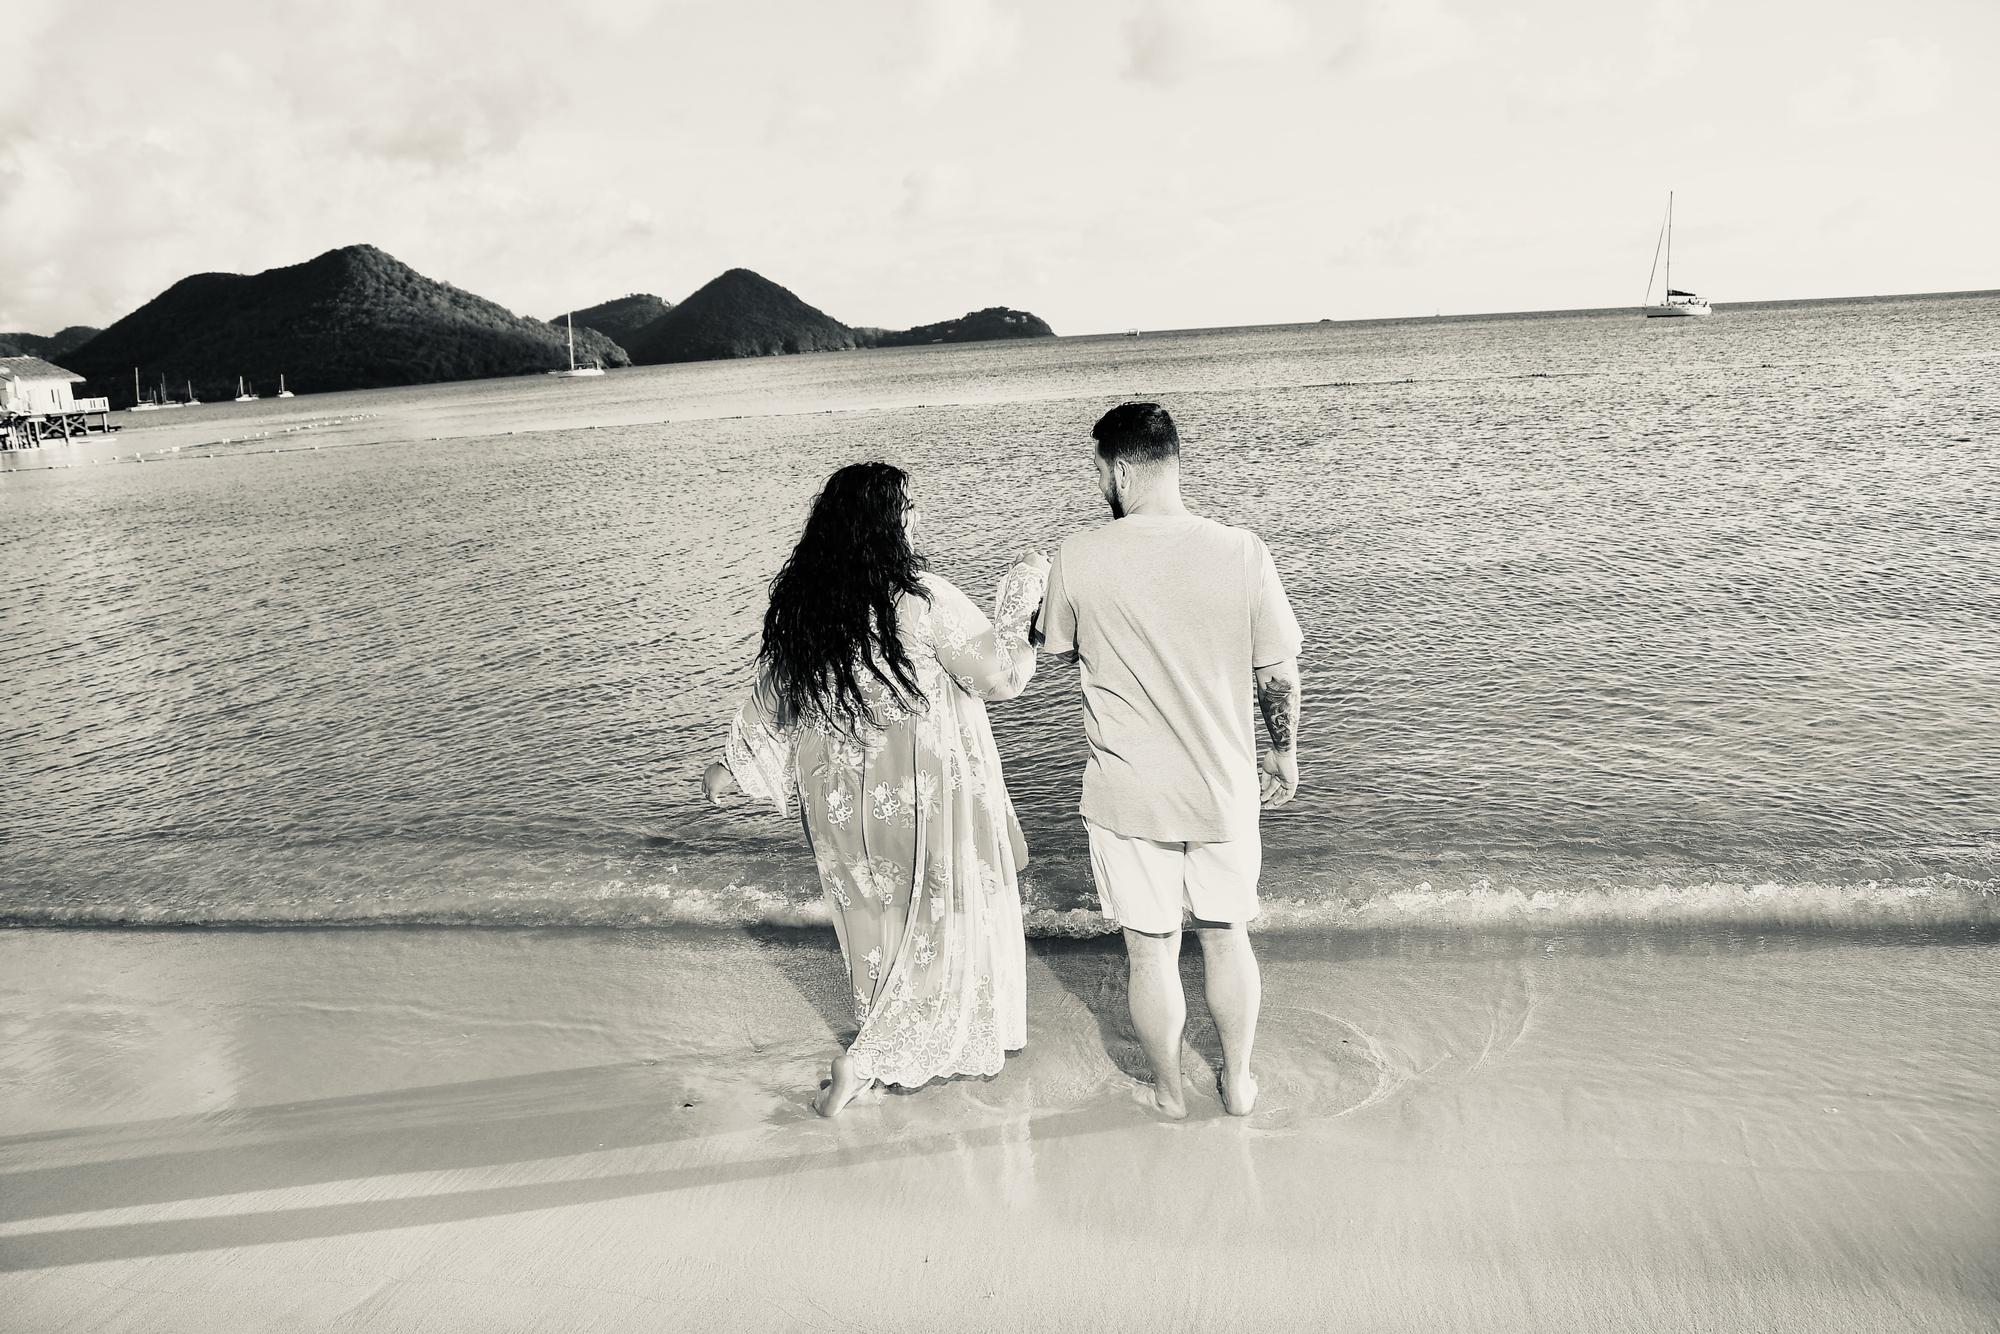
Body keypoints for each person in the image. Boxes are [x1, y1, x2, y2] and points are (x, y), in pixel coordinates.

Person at [703, 462, 1049, 1116]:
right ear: (883, 524)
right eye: (908, 508)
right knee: (942, 923)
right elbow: (998, 675)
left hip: (840, 803)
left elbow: (773, 698)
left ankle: (875, 1047)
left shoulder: (812, 608)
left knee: (876, 925)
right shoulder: (922, 601)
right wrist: (1024, 593)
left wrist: (730, 766)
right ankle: (869, 1060)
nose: (918, 518)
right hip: (921, 795)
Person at [1034, 403, 1302, 1119]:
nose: (1099, 484)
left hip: (1128, 792)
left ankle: (1170, 1092)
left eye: (1098, 471)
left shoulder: (1076, 555)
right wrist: (1282, 753)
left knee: (1150, 954)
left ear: (1121, 470)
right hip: (1221, 786)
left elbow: (1056, 652)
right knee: (1226, 937)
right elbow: (1277, 671)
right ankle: (1237, 1083)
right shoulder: (1242, 550)